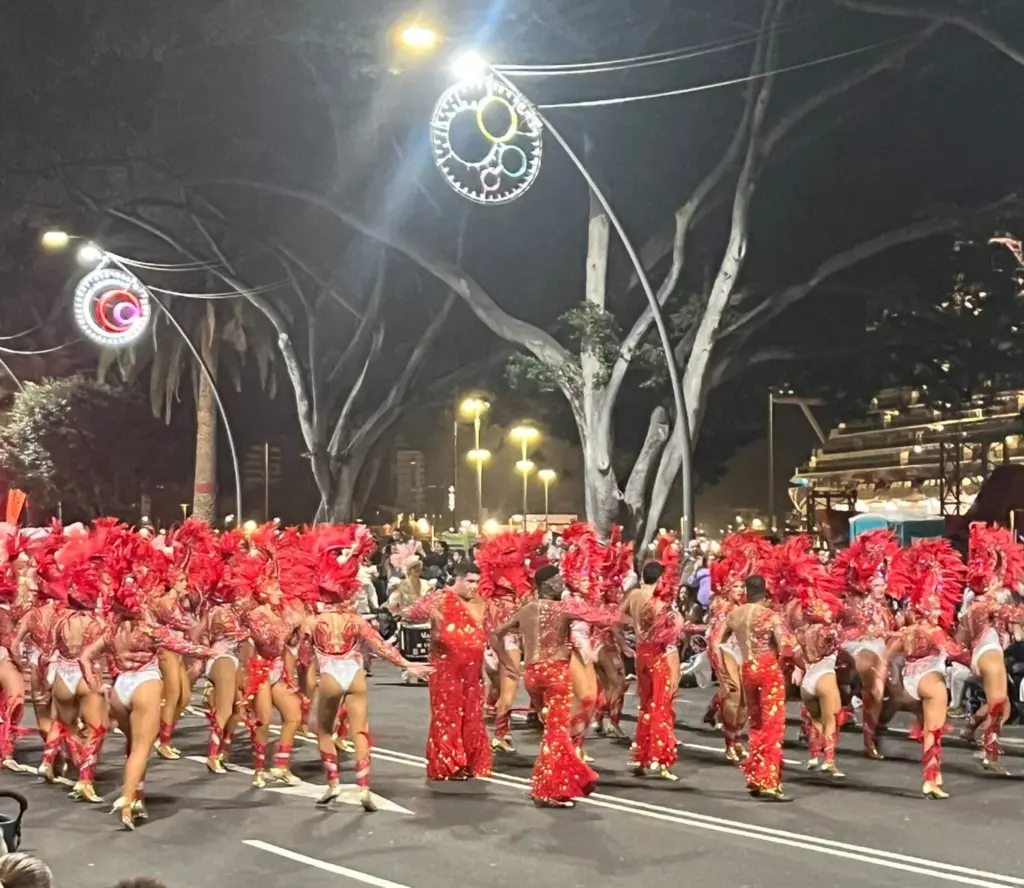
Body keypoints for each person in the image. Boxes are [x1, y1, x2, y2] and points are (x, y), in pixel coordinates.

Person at [304, 525, 431, 811]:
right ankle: (364, 788)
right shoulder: (356, 620)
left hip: (330, 674)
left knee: (323, 730)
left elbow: (302, 657)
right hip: (354, 675)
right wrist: (407, 663)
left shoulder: (312, 622)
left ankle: (334, 784)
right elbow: (380, 646)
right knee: (360, 731)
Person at [490, 564, 613, 808]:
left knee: (552, 730)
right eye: (558, 581)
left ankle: (549, 782)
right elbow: (600, 618)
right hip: (555, 675)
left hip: (532, 676)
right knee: (556, 733)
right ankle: (550, 790)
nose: (562, 584)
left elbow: (495, 634)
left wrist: (508, 664)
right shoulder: (563, 608)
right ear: (547, 585)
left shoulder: (526, 610)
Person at [883, 539, 966, 799]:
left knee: (926, 728)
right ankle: (930, 780)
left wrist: (892, 682)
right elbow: (957, 654)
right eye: (937, 607)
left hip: (908, 685)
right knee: (934, 731)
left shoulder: (907, 631)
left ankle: (934, 776)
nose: (940, 610)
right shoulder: (934, 631)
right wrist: (973, 660)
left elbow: (885, 657)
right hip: (930, 682)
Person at [624, 535, 704, 780]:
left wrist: (633, 633)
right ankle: (661, 760)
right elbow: (671, 632)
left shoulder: (634, 595)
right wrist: (691, 627)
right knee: (663, 705)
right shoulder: (658, 603)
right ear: (660, 578)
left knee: (646, 706)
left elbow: (619, 617)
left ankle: (640, 756)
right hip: (660, 656)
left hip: (642, 653)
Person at [407, 561, 491, 780]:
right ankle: (449, 764)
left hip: (473, 671)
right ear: (458, 579)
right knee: (448, 715)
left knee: (472, 715)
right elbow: (410, 614)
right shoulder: (440, 598)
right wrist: (429, 610)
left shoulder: (479, 602)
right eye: (470, 581)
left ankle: (470, 760)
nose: (474, 586)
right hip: (447, 670)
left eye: (477, 582)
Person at [720, 574, 800, 802]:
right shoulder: (769, 615)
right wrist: (790, 663)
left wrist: (724, 669)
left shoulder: (734, 614)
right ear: (764, 592)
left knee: (755, 724)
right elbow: (786, 648)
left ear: (746, 592)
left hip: (747, 669)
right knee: (772, 726)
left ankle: (756, 777)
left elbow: (719, 641)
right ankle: (770, 782)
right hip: (768, 670)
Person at [776, 536, 845, 778]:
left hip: (807, 680)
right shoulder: (831, 631)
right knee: (831, 719)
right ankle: (829, 761)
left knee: (815, 719)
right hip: (824, 676)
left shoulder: (801, 632)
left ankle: (814, 755)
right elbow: (841, 646)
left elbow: (790, 650)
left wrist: (799, 667)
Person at [958, 523, 1024, 772]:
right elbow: (1016, 623)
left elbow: (961, 638)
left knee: (1003, 704)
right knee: (998, 704)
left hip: (980, 656)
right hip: (990, 655)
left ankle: (970, 730)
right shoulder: (991, 603)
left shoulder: (973, 604)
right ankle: (990, 754)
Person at [832, 529, 900, 759]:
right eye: (877, 585)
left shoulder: (887, 608)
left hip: (884, 650)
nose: (882, 589)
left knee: (897, 694)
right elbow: (853, 627)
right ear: (868, 586)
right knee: (874, 691)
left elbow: (888, 632)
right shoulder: (856, 605)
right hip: (860, 647)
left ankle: (876, 729)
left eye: (883, 585)